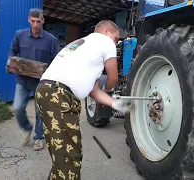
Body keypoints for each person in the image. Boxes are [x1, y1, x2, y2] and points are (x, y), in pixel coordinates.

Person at [35, 20, 132, 180]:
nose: (116, 43)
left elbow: (93, 92)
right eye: (116, 39)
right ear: (107, 31)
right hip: (58, 95)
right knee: (68, 158)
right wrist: (109, 88)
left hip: (48, 92)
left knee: (66, 154)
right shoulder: (105, 41)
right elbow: (113, 78)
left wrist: (115, 104)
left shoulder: (83, 45)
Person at [8, 8, 59, 151]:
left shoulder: (51, 40)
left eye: (38, 21)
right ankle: (26, 128)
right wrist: (10, 61)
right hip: (23, 79)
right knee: (18, 108)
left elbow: (56, 61)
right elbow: (12, 50)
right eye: (33, 21)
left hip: (41, 82)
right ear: (29, 20)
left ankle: (39, 138)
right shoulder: (20, 35)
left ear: (43, 21)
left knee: (40, 111)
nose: (36, 25)